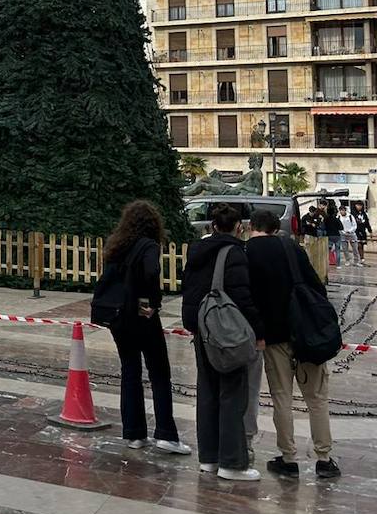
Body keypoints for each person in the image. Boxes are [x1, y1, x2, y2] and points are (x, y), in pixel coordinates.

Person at [246, 208, 341, 479]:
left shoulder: (247, 253)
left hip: (273, 337)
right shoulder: (291, 248)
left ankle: (288, 458)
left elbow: (249, 298)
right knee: (317, 399)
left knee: (282, 398)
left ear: (251, 226)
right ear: (276, 227)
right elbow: (316, 286)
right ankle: (324, 458)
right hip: (307, 335)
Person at [94, 200, 190, 455]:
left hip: (118, 317)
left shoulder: (117, 246)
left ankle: (135, 433)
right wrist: (151, 302)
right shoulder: (148, 245)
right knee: (159, 372)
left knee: (130, 371)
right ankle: (166, 434)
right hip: (141, 316)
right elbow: (151, 271)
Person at [181, 202, 263, 481]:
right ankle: (231, 463)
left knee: (207, 394)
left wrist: (193, 324)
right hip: (226, 335)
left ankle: (209, 459)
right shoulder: (235, 254)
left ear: (212, 226)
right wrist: (258, 332)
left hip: (201, 331)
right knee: (232, 395)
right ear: (239, 227)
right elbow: (242, 297)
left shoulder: (196, 252)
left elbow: (189, 292)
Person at [323, 199, 343, 266]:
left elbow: (323, 227)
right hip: (337, 235)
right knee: (337, 250)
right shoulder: (336, 219)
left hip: (329, 236)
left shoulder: (326, 219)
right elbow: (341, 227)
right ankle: (338, 264)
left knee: (328, 250)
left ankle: (328, 262)